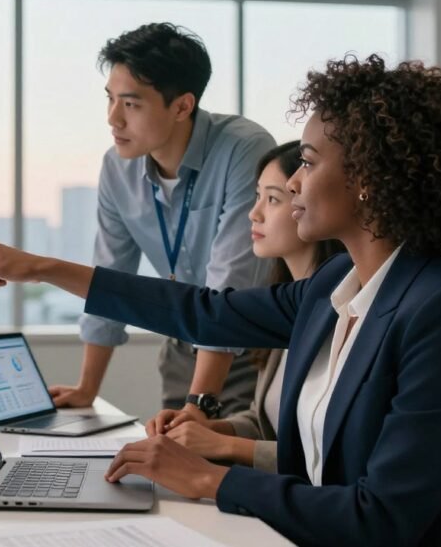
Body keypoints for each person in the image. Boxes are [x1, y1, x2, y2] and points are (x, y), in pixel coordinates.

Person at [0, 54, 441, 546]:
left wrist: (206, 479)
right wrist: (40, 268)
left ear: (368, 178)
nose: (293, 182)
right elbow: (202, 311)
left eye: (310, 164)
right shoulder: (334, 286)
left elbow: (383, 519)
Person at [49, 22, 276, 421]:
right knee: (170, 469)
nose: (113, 119)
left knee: (230, 469)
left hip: (250, 345)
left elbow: (230, 283)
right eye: (110, 100)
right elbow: (111, 275)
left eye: (131, 104)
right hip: (182, 344)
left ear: (182, 106)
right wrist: (87, 389)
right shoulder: (117, 168)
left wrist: (198, 405)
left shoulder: (243, 148)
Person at [154, 140, 344, 474]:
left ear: (306, 204)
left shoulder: (339, 314)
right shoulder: (282, 305)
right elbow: (263, 420)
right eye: (257, 197)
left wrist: (226, 446)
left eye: (272, 199)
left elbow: (326, 456)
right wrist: (213, 429)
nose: (253, 214)